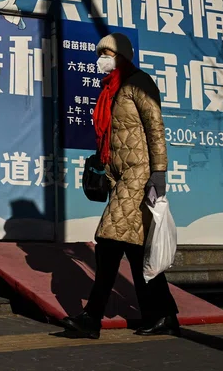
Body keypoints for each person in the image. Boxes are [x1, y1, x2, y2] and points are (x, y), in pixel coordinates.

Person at [61, 33, 179, 339]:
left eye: (108, 53)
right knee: (134, 249)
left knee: (108, 241)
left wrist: (159, 172)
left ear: (122, 56)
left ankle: (92, 318)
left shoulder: (139, 82)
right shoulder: (109, 90)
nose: (102, 59)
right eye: (99, 53)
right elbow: (112, 136)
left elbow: (155, 126)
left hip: (139, 174)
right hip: (121, 176)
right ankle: (163, 314)